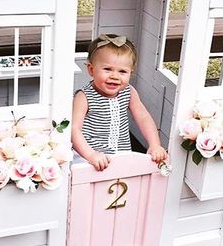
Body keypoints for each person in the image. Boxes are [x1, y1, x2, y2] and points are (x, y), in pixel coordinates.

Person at [72, 34, 168, 171]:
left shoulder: (129, 92)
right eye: (107, 69)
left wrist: (154, 144)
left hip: (121, 156)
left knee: (121, 188)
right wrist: (90, 154)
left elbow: (143, 118)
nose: (114, 76)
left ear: (131, 73)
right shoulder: (84, 96)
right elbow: (74, 129)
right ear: (91, 70)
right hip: (88, 157)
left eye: (122, 71)